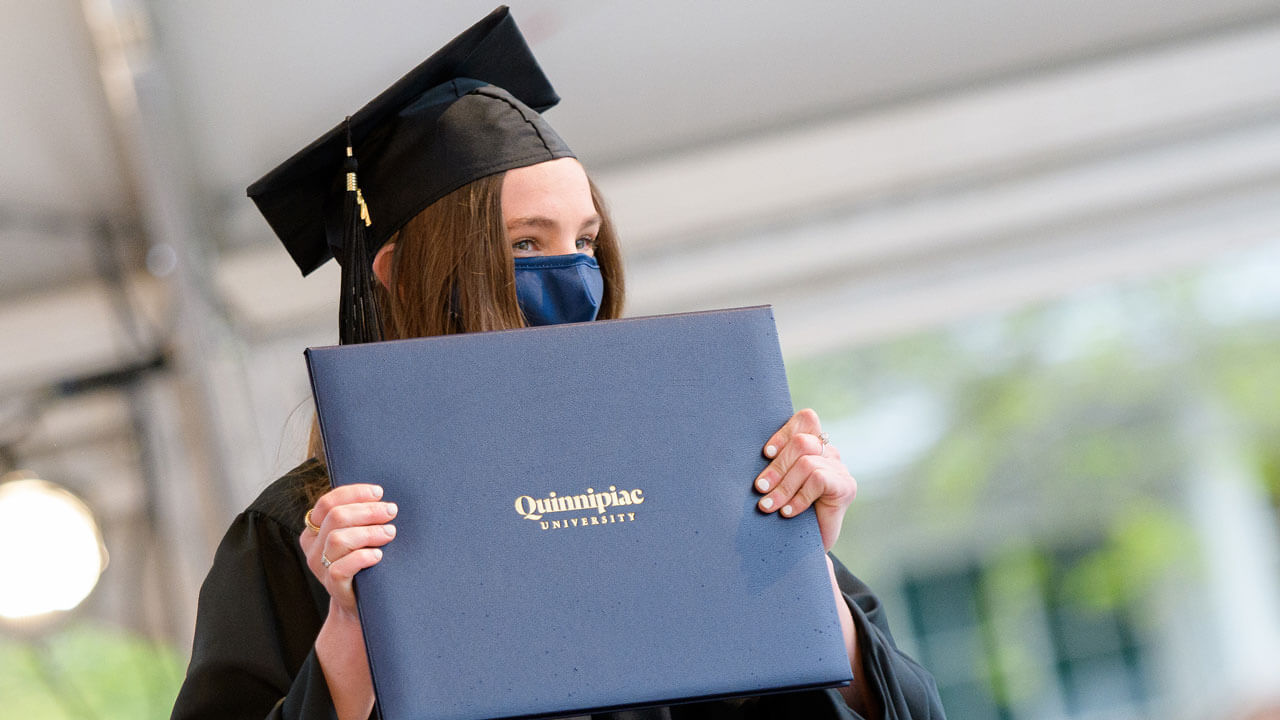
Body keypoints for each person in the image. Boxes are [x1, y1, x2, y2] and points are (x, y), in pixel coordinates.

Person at [171, 7, 943, 720]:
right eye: (525, 244)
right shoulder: (308, 536)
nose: (572, 272)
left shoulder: (685, 471)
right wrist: (349, 641)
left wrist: (798, 569)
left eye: (584, 240)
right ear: (403, 272)